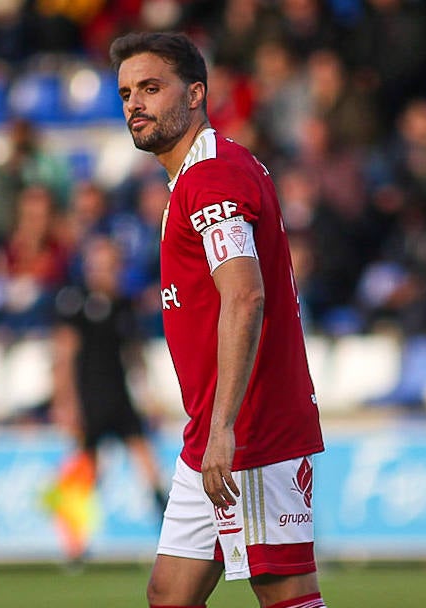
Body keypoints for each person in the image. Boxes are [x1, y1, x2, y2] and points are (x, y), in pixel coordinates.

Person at [110, 32, 326, 608]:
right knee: (170, 595)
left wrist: (225, 427)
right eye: (127, 91)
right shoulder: (201, 173)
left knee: (284, 592)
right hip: (211, 430)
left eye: (152, 88)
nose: (136, 103)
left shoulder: (210, 177)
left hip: (248, 425)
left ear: (197, 93)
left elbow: (245, 296)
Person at [52, 237, 169, 528]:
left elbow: (134, 356)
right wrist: (65, 402)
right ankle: (74, 539)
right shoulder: (76, 303)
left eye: (108, 266)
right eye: (97, 266)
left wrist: (148, 395)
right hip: (89, 397)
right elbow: (64, 356)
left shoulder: (124, 307)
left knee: (146, 459)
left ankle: (168, 526)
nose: (102, 273)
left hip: (120, 395)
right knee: (88, 468)